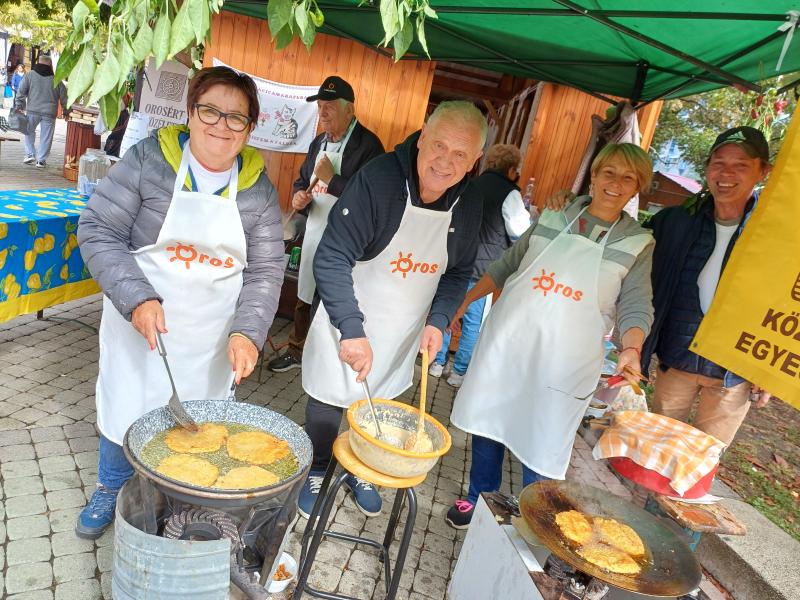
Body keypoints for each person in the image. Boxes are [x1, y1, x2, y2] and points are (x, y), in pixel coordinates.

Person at [75, 66, 285, 539]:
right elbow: (97, 229)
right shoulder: (148, 160)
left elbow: (267, 270)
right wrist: (137, 299)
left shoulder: (257, 188)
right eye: (210, 110)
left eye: (237, 118)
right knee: (125, 401)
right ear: (191, 113)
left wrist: (247, 333)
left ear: (250, 129)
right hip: (141, 322)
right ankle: (110, 487)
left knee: (198, 423)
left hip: (212, 335)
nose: (221, 125)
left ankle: (179, 497)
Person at [447, 143, 655, 529]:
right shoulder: (556, 213)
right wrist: (462, 303)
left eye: (628, 178)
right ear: (594, 175)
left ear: (637, 186)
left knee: (543, 439)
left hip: (565, 362)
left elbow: (637, 303)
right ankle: (479, 499)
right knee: (489, 420)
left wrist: (632, 348)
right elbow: (508, 263)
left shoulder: (637, 242)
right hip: (510, 342)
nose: (616, 183)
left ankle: (537, 521)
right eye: (608, 172)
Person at [297, 101, 487, 518]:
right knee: (331, 392)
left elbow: (457, 273)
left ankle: (362, 467)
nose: (445, 162)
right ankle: (320, 466)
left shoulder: (470, 203)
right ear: (421, 139)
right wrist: (350, 327)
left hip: (404, 325)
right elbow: (331, 256)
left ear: (474, 161)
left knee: (378, 400)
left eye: (460, 155)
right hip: (351, 306)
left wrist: (439, 321)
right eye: (439, 146)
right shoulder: (380, 180)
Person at [641, 127, 773, 446]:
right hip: (678, 359)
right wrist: (577, 204)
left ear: (763, 171)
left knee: (701, 464)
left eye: (741, 164)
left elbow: (786, 300)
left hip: (733, 372)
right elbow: (623, 236)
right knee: (657, 458)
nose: (726, 173)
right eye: (718, 163)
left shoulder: (774, 235)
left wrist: (769, 369)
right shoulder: (677, 221)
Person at [268, 75, 384, 373]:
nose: (323, 113)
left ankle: (329, 359)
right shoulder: (319, 142)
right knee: (305, 291)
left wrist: (333, 180)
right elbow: (303, 180)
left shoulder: (369, 146)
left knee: (334, 293)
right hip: (316, 229)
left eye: (329, 106)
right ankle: (296, 350)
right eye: (320, 107)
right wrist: (298, 197)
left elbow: (373, 200)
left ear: (349, 109)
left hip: (347, 240)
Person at [429, 144, 531, 387]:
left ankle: (436, 362)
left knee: (447, 311)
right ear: (511, 170)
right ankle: (459, 373)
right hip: (483, 268)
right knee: (473, 323)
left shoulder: (469, 184)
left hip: (454, 260)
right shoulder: (511, 194)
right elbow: (521, 230)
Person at [13, 56, 67, 168]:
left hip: (33, 110)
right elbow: (64, 97)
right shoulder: (56, 79)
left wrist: (19, 105)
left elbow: (21, 91)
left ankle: (30, 154)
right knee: (46, 137)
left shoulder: (30, 75)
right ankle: (41, 161)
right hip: (49, 113)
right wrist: (66, 111)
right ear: (51, 65)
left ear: (38, 63)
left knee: (28, 131)